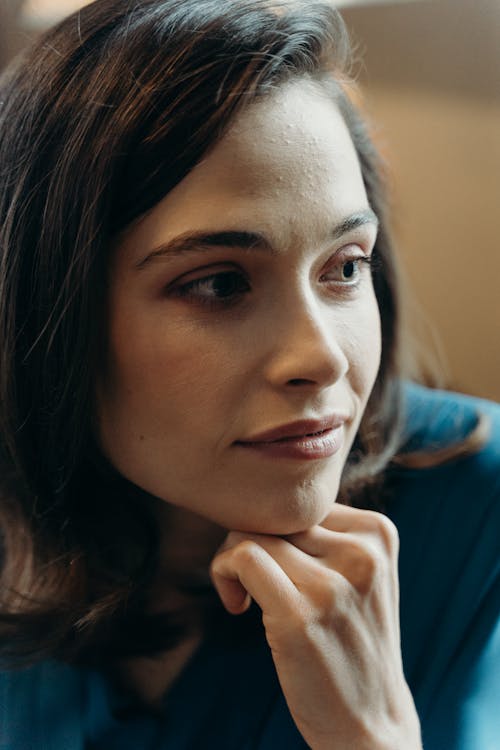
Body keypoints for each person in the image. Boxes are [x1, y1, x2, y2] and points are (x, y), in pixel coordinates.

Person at [0, 1, 498, 748]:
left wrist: (372, 734)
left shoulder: (474, 507)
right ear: (50, 314)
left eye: (345, 267)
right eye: (220, 284)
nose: (323, 356)